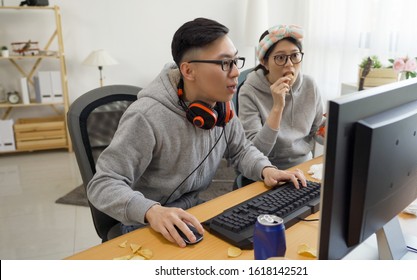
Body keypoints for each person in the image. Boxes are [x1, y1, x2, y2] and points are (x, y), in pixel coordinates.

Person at [87, 18, 307, 248]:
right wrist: (152, 211)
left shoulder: (221, 105)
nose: (235, 73)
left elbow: (241, 150)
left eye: (235, 61)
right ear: (188, 70)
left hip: (195, 211)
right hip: (148, 222)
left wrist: (267, 169)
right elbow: (103, 183)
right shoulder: (146, 116)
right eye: (225, 64)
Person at [238, 24, 325, 171]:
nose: (289, 64)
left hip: (304, 167)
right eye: (280, 58)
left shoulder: (310, 85)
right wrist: (277, 107)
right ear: (265, 62)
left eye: (295, 55)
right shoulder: (249, 91)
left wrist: (333, 131)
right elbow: (255, 152)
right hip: (267, 171)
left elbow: (317, 130)